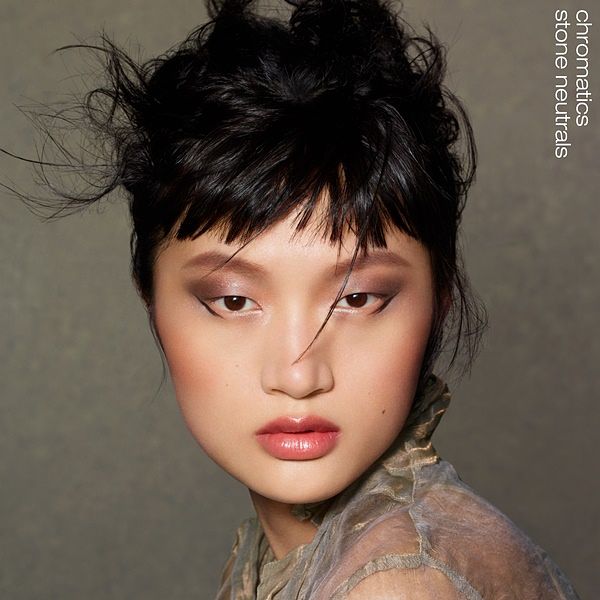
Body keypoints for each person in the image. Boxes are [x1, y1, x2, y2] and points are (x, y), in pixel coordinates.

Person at [12, 0, 581, 597]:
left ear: (439, 301)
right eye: (234, 301)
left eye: (358, 297)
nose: (298, 374)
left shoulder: (400, 582)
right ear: (151, 302)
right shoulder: (294, 554)